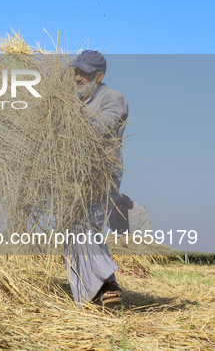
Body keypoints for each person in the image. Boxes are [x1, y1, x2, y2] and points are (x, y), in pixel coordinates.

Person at [65, 50, 129, 306]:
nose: (78, 77)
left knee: (86, 226)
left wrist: (66, 114)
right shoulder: (76, 102)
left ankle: (108, 283)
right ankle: (92, 294)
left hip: (101, 174)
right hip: (75, 176)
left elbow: (99, 127)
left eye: (85, 74)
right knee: (71, 230)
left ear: (99, 76)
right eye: (76, 72)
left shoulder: (114, 98)